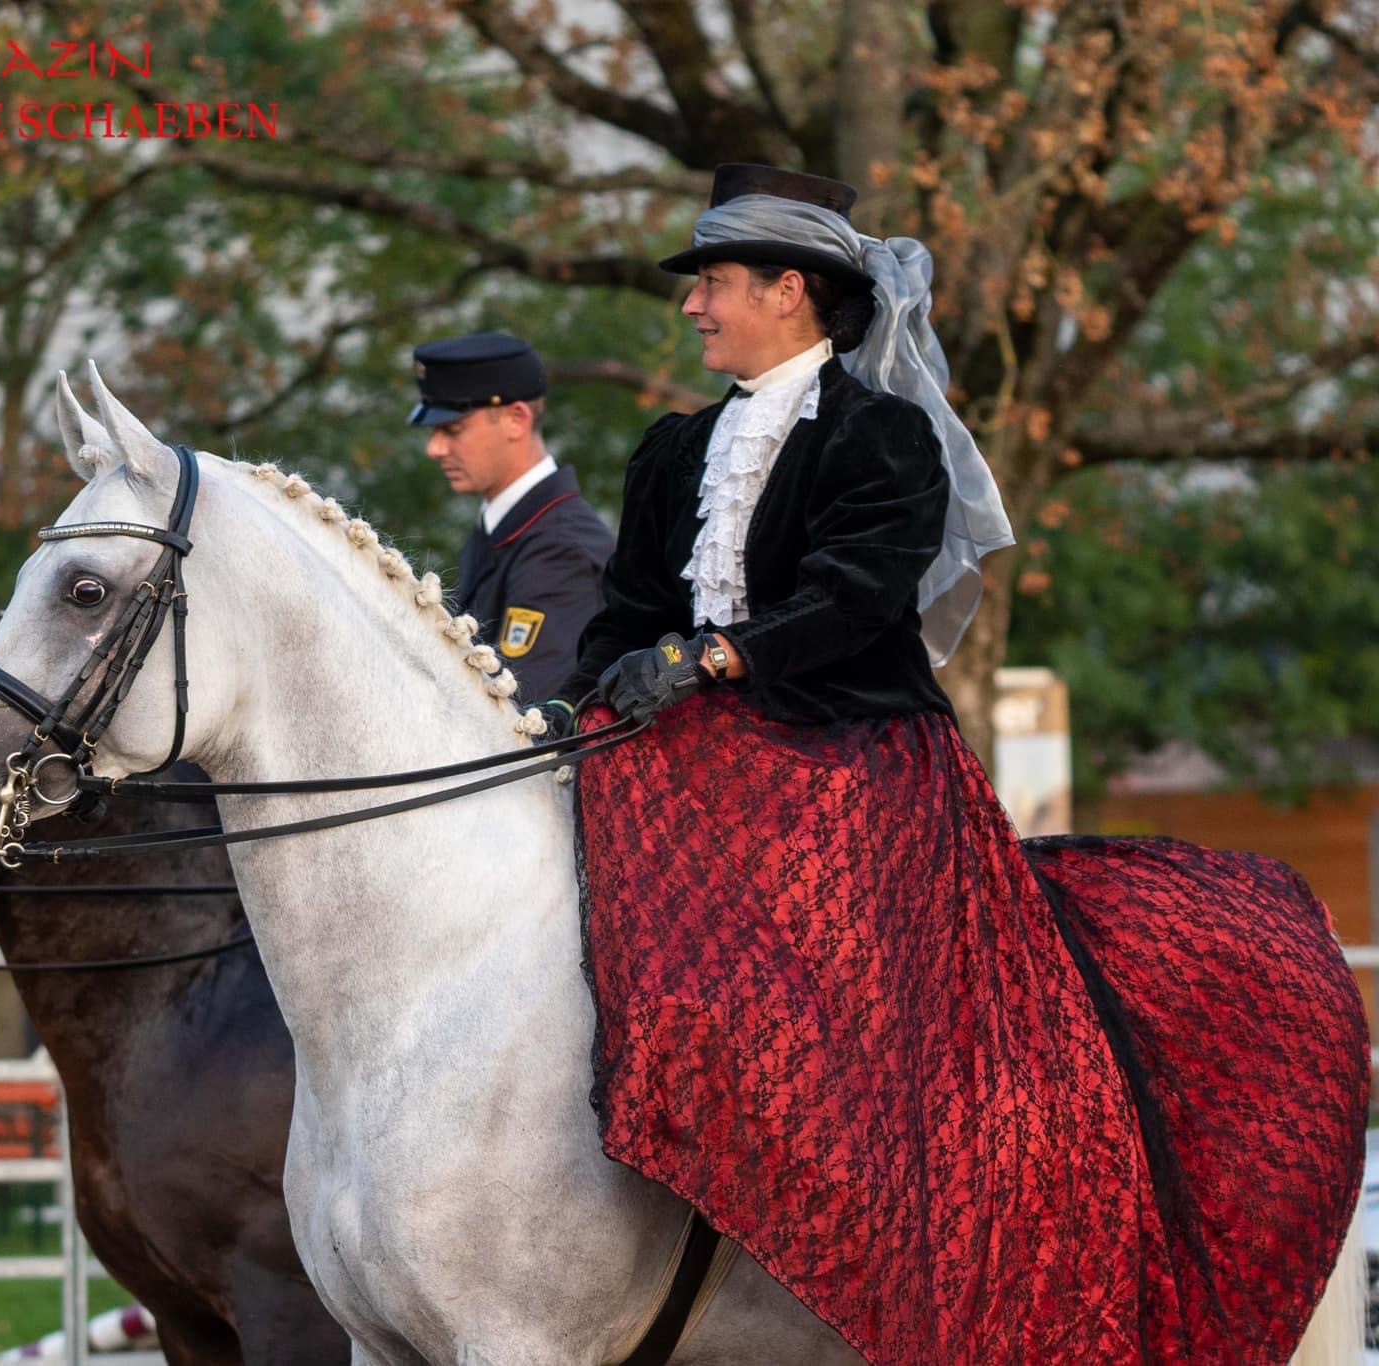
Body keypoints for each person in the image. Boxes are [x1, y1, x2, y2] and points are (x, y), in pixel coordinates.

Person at [549, 165, 1366, 1364]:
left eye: (712, 284)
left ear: (790, 291)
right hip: (683, 749)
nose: (691, 308)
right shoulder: (672, 452)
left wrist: (716, 657)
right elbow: (624, 608)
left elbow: (854, 597)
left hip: (846, 752)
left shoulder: (880, 437)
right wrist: (586, 695)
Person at [407, 331, 615, 704]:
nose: (434, 448)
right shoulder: (507, 526)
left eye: (452, 429)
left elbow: (520, 716)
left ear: (516, 419)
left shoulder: (562, 549)